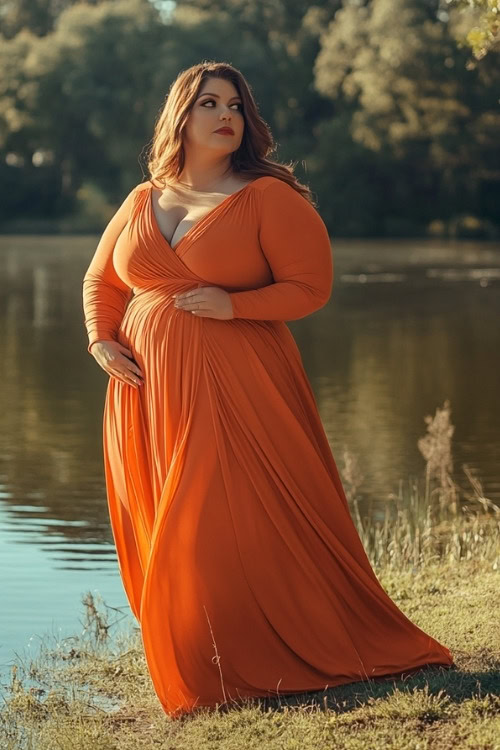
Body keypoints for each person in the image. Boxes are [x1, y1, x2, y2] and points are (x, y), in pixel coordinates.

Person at [82, 61, 454, 719]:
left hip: (236, 385)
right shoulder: (144, 199)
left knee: (208, 519)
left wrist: (234, 308)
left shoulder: (269, 197)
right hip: (144, 393)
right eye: (209, 103)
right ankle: (205, 647)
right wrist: (101, 340)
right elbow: (102, 282)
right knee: (164, 516)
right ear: (181, 116)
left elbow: (311, 289)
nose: (226, 115)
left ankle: (223, 662)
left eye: (235, 105)